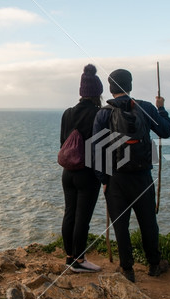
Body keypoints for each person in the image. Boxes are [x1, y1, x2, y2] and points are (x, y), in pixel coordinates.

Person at [93, 69, 170, 282]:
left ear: (110, 88)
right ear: (130, 85)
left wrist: (104, 181)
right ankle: (154, 264)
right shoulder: (145, 108)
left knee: (121, 225)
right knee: (148, 222)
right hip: (143, 175)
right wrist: (161, 108)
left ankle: (127, 270)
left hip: (116, 179)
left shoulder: (103, 113)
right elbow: (165, 131)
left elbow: (96, 151)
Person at [60, 64, 103, 273]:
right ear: (97, 93)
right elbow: (102, 149)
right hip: (87, 174)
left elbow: (63, 143)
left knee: (69, 214)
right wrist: (106, 178)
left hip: (68, 173)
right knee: (82, 218)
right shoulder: (99, 114)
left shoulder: (67, 113)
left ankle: (69, 257)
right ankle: (79, 260)